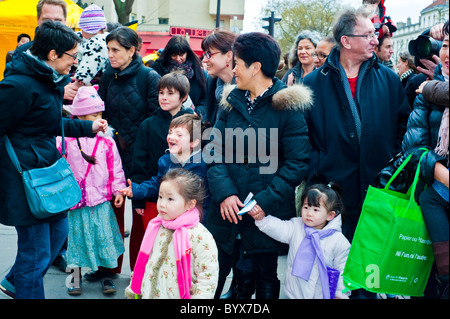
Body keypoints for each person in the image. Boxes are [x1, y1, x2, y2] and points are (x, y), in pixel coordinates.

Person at [302, 6, 411, 297]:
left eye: (375, 34)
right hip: (333, 192)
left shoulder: (388, 79)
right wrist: (318, 169)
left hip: (378, 189)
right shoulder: (313, 83)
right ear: (347, 41)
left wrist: (392, 160)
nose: (375, 40)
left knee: (369, 271)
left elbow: (404, 124)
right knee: (331, 271)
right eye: (368, 35)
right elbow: (304, 136)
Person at [0, 20, 108, 299]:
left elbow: (51, 124)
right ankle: (24, 285)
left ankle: (15, 281)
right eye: (72, 55)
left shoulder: (50, 80)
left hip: (48, 171)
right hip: (25, 179)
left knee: (58, 237)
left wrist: (88, 127)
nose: (76, 61)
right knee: (35, 256)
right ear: (52, 55)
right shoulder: (19, 86)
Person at [205, 32, 312, 299]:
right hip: (226, 211)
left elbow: (298, 163)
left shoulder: (287, 107)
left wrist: (264, 201)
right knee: (213, 275)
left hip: (266, 213)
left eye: (237, 62)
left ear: (255, 67)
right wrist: (225, 193)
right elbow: (213, 152)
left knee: (264, 276)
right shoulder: (229, 102)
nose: (233, 68)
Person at [97, 26, 160, 277]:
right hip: (112, 158)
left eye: (116, 50)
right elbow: (99, 112)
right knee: (113, 216)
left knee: (141, 217)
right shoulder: (106, 76)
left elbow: (156, 118)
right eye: (109, 49)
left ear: (132, 51)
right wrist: (112, 134)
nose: (110, 55)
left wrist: (133, 141)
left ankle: (139, 272)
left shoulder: (149, 77)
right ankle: (109, 268)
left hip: (142, 159)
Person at [56, 86, 126, 296]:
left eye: (100, 114)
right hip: (74, 202)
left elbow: (116, 169)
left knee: (104, 240)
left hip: (101, 201)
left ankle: (106, 276)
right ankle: (74, 279)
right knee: (75, 242)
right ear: (79, 116)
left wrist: (119, 191)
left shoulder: (106, 140)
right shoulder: (64, 141)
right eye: (94, 115)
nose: (100, 119)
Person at [401, 21, 449, 299]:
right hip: (434, 197)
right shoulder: (425, 92)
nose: (446, 53)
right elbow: (413, 148)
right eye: (445, 45)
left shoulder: (430, 88)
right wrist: (442, 174)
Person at [129, 71, 194, 271]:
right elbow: (139, 161)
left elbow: (199, 159)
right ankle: (142, 278)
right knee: (153, 240)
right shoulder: (148, 123)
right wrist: (138, 199)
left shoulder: (194, 123)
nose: (164, 97)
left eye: (170, 93)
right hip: (154, 193)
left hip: (186, 196)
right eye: (161, 92)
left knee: (181, 244)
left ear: (183, 97)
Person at [125, 168, 219, 299]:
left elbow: (207, 279)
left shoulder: (200, 236)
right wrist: (135, 288)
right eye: (160, 197)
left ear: (190, 204)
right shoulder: (156, 226)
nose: (162, 204)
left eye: (170, 199)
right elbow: (146, 262)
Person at [250, 183, 351, 299]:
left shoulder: (338, 241)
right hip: (295, 293)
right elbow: (280, 228)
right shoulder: (297, 226)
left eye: (316, 209)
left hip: (321, 295)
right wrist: (262, 220)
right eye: (306, 207)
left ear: (330, 215)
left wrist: (340, 294)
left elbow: (343, 270)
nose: (309, 213)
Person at [121, 113, 209, 219]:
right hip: (171, 216)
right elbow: (157, 183)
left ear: (194, 143)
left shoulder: (204, 163)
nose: (171, 137)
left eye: (179, 135)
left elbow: (208, 195)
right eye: (170, 133)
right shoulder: (165, 161)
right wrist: (137, 189)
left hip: (195, 218)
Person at [150, 35, 207, 113]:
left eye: (181, 55)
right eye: (174, 55)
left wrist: (198, 113)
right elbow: (152, 96)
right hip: (166, 118)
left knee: (196, 126)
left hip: (193, 117)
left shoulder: (197, 69)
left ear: (187, 53)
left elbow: (205, 98)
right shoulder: (157, 68)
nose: (178, 59)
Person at [200, 29, 237, 126]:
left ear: (228, 56)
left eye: (209, 54)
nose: (204, 60)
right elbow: (209, 119)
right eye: (204, 55)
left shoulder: (246, 87)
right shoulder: (212, 82)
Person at [73, 4, 109, 86]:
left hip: (95, 84)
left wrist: (79, 79)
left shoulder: (97, 44)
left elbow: (85, 72)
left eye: (83, 30)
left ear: (92, 31)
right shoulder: (107, 40)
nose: (81, 32)